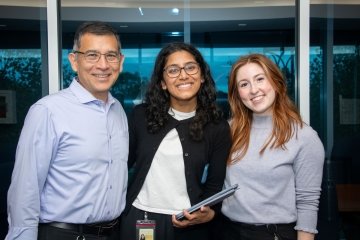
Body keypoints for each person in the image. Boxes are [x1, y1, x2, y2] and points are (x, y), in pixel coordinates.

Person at [6, 21, 128, 240]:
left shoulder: (117, 110)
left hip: (111, 233)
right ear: (74, 61)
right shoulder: (47, 111)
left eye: (111, 55)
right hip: (63, 234)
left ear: (120, 61)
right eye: (92, 55)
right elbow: (25, 189)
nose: (103, 65)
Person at [119, 42, 231, 240]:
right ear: (162, 82)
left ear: (202, 75)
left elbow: (215, 184)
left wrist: (208, 213)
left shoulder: (217, 127)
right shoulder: (141, 116)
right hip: (140, 218)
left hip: (189, 224)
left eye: (190, 67)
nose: (183, 75)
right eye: (173, 70)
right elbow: (121, 167)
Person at [221, 53, 325, 240]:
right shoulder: (227, 131)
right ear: (237, 94)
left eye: (260, 79)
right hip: (227, 231)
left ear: (276, 82)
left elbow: (307, 204)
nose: (254, 90)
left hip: (273, 234)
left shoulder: (304, 136)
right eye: (244, 84)